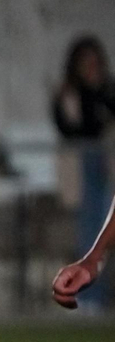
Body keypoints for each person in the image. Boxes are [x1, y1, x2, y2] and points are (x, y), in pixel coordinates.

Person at [52, 35, 115, 309]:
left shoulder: (108, 92)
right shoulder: (69, 94)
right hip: (84, 165)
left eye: (95, 62)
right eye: (85, 62)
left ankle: (98, 296)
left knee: (101, 223)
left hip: (106, 164)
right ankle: (89, 298)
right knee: (89, 229)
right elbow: (72, 129)